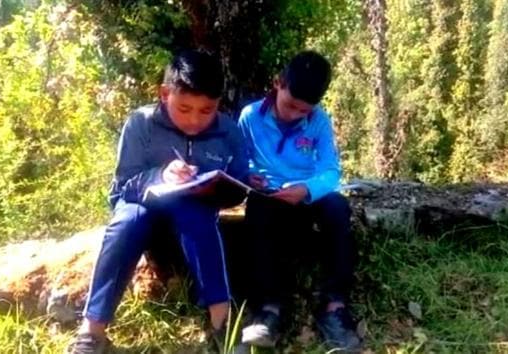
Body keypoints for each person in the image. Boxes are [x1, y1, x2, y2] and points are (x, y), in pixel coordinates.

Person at [68, 49, 249, 354]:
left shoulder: (228, 131)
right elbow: (123, 185)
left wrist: (214, 184)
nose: (194, 120)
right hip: (142, 206)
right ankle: (92, 331)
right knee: (125, 225)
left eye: (207, 111)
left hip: (193, 210)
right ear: (164, 93)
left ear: (219, 104)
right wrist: (160, 176)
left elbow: (239, 181)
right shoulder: (141, 123)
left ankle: (222, 321)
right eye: (184, 108)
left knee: (197, 216)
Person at [238, 51, 361, 351]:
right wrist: (248, 175)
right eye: (290, 105)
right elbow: (240, 160)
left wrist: (307, 190)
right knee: (258, 211)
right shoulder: (250, 117)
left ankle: (334, 306)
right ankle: (269, 310)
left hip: (307, 196)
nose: (294, 115)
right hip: (269, 196)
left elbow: (331, 170)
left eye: (303, 111)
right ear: (278, 83)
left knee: (338, 207)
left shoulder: (319, 122)